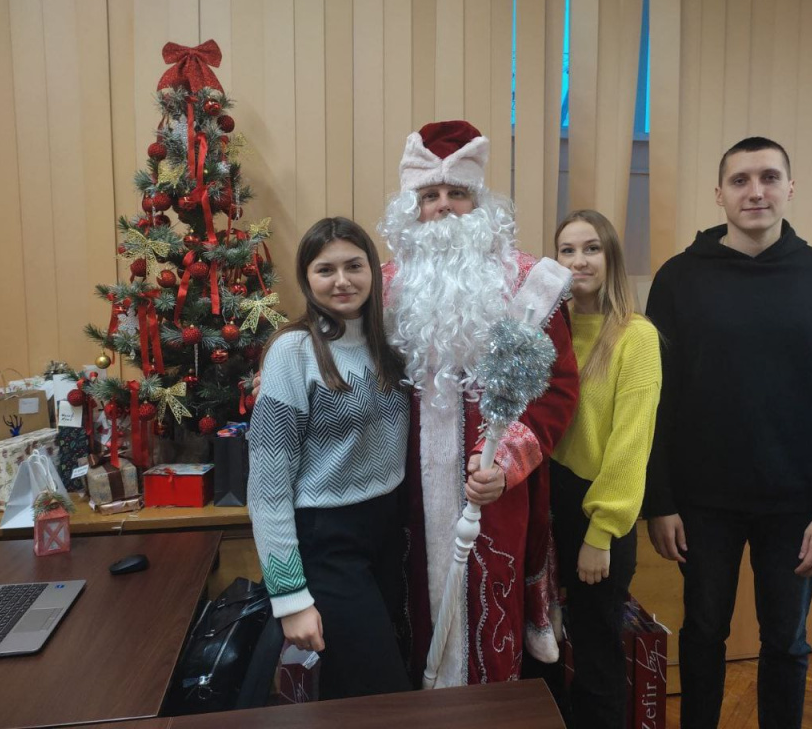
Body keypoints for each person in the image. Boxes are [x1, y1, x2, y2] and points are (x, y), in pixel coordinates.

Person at [643, 137, 812, 729]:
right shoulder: (678, 279)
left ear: (790, 189)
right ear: (718, 194)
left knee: (787, 642)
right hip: (701, 504)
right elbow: (654, 400)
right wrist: (659, 501)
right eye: (740, 180)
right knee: (702, 634)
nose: (755, 191)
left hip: (797, 505)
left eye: (769, 177)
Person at [379, 120, 580, 687]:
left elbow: (559, 388)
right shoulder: (384, 288)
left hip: (496, 491)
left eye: (457, 193)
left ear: (480, 202)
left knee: (494, 616)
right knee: (412, 613)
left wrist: (508, 461)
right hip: (405, 492)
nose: (444, 206)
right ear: (412, 208)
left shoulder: (531, 284)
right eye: (429, 195)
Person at [247, 217, 412, 700]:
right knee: (384, 693)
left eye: (354, 266)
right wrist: (289, 597)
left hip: (388, 531)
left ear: (373, 271)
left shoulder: (392, 342)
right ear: (307, 279)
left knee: (353, 690)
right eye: (326, 270)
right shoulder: (292, 352)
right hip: (328, 539)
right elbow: (268, 487)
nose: (342, 281)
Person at [543, 209, 661, 729]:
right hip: (546, 502)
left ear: (611, 256)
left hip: (598, 508)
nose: (579, 261)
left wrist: (602, 531)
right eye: (567, 250)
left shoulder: (636, 336)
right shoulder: (550, 328)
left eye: (591, 248)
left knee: (595, 649)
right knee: (543, 642)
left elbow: (631, 444)